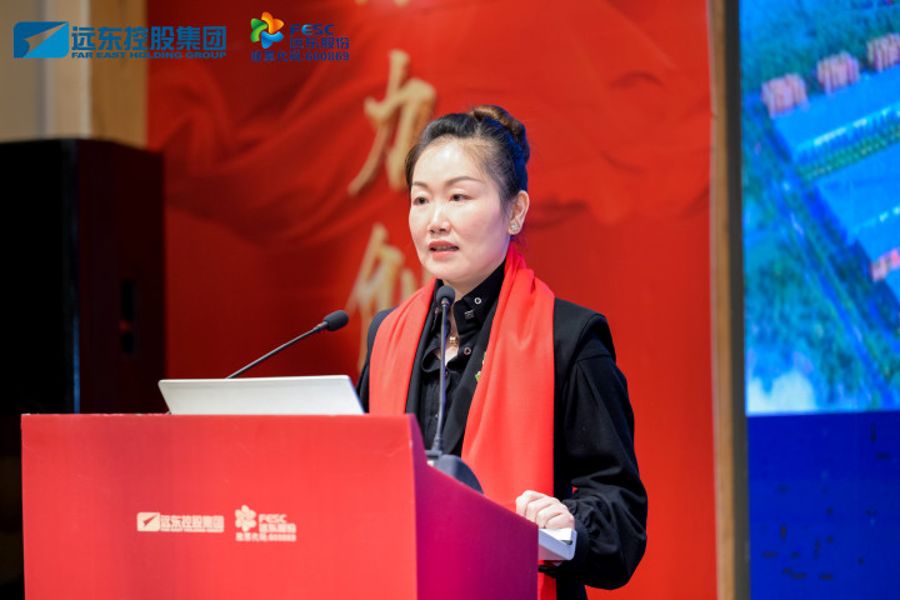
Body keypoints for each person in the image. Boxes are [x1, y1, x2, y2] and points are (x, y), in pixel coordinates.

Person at [356, 105, 647, 600]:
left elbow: (622, 518)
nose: (435, 220)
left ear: (515, 211)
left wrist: (569, 521)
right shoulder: (387, 335)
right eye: (421, 199)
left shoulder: (569, 338)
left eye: (459, 197)